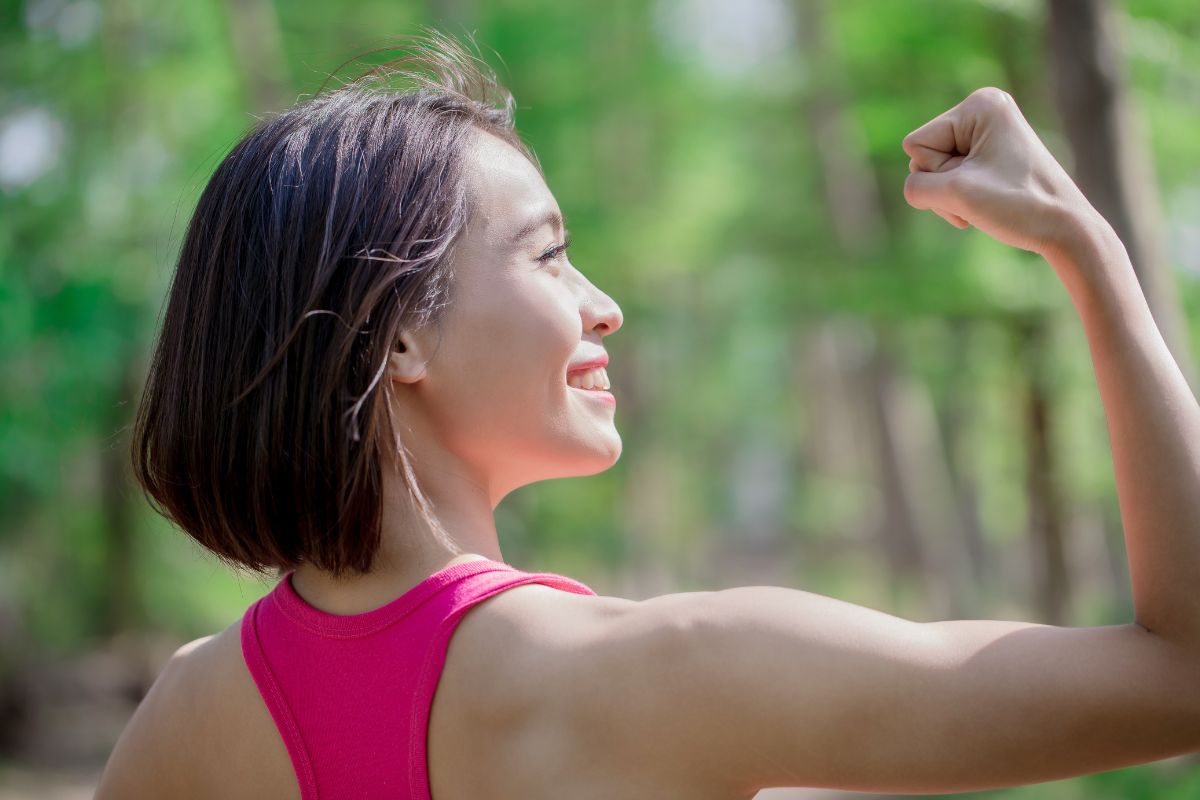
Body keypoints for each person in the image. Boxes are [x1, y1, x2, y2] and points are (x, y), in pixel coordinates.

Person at [96, 32, 1200, 800]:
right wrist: (1083, 245)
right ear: (398, 338)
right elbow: (1184, 672)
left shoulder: (191, 718)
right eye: (550, 252)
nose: (604, 304)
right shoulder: (683, 671)